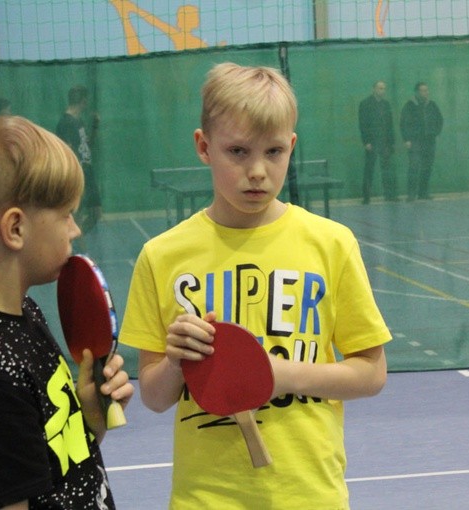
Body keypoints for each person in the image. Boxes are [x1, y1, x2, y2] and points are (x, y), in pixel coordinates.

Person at [118, 63, 391, 508]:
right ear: (204, 147)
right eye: (239, 152)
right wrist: (174, 363)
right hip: (205, 499)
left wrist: (278, 375)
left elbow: (371, 373)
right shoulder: (162, 256)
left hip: (309, 496)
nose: (258, 171)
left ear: (292, 147)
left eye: (274, 152)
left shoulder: (332, 244)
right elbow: (153, 396)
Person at [0, 115, 134, 509]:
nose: (75, 229)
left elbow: (58, 468)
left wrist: (88, 420)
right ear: (15, 228)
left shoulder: (22, 312)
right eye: (66, 214)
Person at [56, 85, 102, 233]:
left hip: (88, 171)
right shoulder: (65, 123)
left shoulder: (78, 121)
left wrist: (95, 127)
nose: (87, 104)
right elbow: (67, 151)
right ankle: (80, 250)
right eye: (86, 100)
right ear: (82, 101)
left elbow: (87, 146)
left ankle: (77, 242)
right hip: (78, 174)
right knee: (78, 216)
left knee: (96, 213)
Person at [400, 82, 443, 201]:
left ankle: (423, 193)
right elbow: (403, 123)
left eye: (427, 90)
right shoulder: (409, 106)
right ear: (417, 92)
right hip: (415, 142)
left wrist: (436, 133)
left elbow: (439, 120)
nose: (426, 93)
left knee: (427, 167)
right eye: (423, 90)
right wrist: (406, 139)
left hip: (429, 141)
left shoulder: (432, 105)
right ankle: (411, 194)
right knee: (414, 167)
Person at [358, 80, 397, 203]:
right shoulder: (365, 104)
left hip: (385, 142)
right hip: (372, 142)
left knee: (387, 169)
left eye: (384, 88)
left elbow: (390, 125)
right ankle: (366, 197)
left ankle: (389, 195)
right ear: (373, 89)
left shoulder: (386, 105)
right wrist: (366, 142)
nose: (382, 91)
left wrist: (391, 142)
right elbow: (363, 125)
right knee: (369, 169)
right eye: (380, 88)